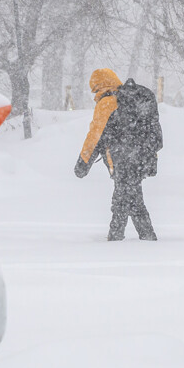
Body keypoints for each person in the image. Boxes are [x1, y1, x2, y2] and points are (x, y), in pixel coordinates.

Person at [74, 68, 160, 241]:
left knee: (123, 198)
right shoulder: (131, 99)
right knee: (131, 197)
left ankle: (117, 238)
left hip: (122, 159)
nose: (95, 95)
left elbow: (94, 136)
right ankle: (143, 236)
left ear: (101, 86)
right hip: (139, 158)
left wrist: (82, 164)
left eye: (96, 90)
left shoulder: (108, 102)